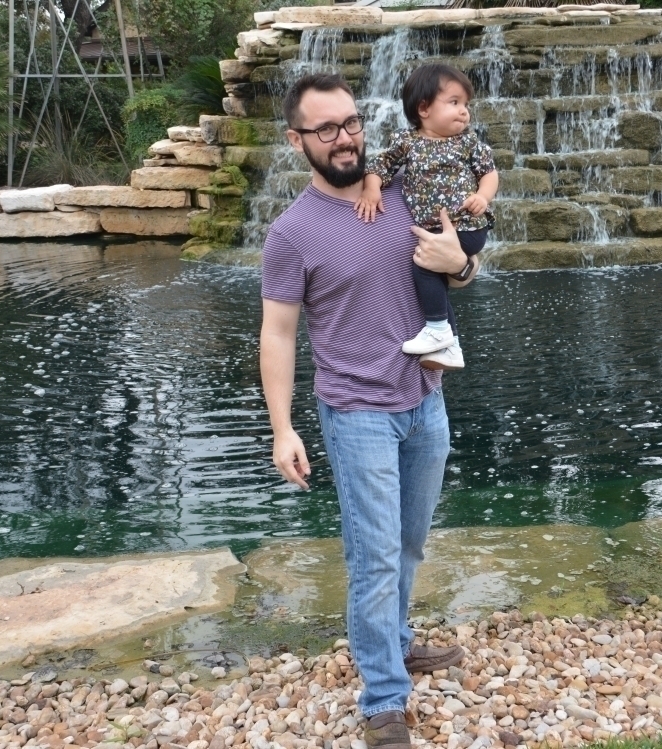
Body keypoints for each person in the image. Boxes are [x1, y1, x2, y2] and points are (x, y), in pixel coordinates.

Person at [259, 73, 478, 749]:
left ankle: (397, 639)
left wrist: (461, 264)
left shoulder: (405, 189)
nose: (344, 138)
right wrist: (282, 429)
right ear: (297, 140)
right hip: (357, 413)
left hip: (426, 401)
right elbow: (278, 333)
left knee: (409, 542)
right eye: (326, 128)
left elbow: (460, 267)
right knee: (374, 555)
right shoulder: (292, 233)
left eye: (351, 122)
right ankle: (384, 696)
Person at [355, 63, 498, 371]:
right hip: (435, 230)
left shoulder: (468, 142)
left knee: (423, 265)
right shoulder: (407, 142)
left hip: (466, 225)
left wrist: (483, 197)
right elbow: (381, 165)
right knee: (432, 271)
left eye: (466, 104)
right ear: (423, 108)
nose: (464, 111)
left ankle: (437, 330)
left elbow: (489, 173)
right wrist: (371, 188)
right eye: (454, 102)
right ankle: (450, 346)